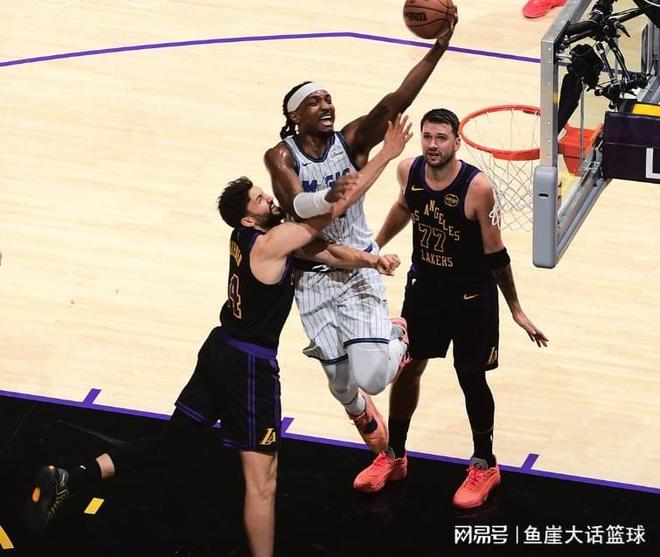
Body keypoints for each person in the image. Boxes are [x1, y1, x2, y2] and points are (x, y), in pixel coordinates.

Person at [23, 116, 410, 557]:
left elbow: (323, 251)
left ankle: (74, 476)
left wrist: (370, 260)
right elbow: (334, 208)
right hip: (248, 366)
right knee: (262, 483)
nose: (270, 199)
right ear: (249, 216)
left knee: (174, 443)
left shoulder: (249, 238)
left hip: (219, 349)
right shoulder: (271, 243)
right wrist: (387, 153)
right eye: (261, 199)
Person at [263, 18, 457, 459]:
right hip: (313, 271)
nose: (326, 105)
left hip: (358, 265)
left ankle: (398, 334)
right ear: (294, 116)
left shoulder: (350, 140)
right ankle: (358, 412)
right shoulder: (280, 156)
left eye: (329, 98)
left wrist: (438, 48)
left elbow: (396, 100)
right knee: (340, 382)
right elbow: (297, 206)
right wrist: (327, 197)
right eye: (315, 101)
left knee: (372, 376)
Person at [352, 109, 548, 510]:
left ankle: (485, 465)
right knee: (407, 368)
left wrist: (515, 309)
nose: (432, 145)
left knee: (471, 378)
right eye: (427, 136)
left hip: (471, 298)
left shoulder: (477, 188)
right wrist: (372, 249)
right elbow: (405, 206)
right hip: (425, 291)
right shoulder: (408, 170)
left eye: (441, 138)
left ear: (456, 142)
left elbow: (497, 254)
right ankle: (394, 455)